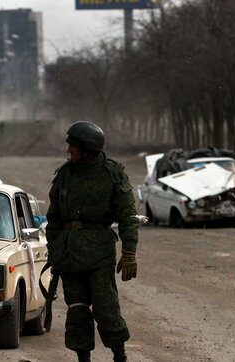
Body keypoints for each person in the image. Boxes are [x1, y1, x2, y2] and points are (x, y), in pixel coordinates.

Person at [46, 121, 139, 362]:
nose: (68, 150)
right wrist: (52, 250)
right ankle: (83, 358)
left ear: (87, 147)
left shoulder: (112, 174)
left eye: (72, 146)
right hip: (68, 254)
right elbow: (54, 219)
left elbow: (128, 216)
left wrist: (129, 252)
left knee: (106, 309)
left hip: (99, 254)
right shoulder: (65, 175)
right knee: (76, 311)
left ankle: (119, 354)